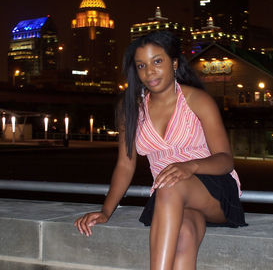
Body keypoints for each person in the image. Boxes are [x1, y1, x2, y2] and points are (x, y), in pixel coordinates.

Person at [74, 31, 247, 270]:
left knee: (170, 184)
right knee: (184, 236)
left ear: (174, 63)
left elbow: (226, 160)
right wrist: (106, 211)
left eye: (157, 61)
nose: (150, 72)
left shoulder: (197, 100)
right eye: (142, 65)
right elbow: (125, 165)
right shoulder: (131, 108)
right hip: (171, 198)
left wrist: (190, 166)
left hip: (213, 190)